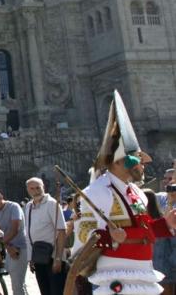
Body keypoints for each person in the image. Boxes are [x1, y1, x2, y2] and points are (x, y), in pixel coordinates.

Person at [71, 91, 176, 293]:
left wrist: (165, 225)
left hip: (144, 272)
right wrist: (108, 237)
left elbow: (144, 230)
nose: (143, 164)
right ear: (119, 161)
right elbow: (83, 233)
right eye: (137, 159)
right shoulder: (97, 192)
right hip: (116, 273)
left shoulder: (137, 191)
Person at [23, 177, 66, 295]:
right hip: (38, 256)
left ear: (43, 187)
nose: (36, 190)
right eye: (32, 188)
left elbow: (61, 231)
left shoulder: (52, 204)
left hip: (53, 256)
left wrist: (58, 258)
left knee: (56, 291)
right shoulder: (28, 206)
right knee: (44, 291)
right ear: (28, 190)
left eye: (38, 187)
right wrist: (30, 257)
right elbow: (28, 233)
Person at [0, 189, 27, 295]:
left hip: (22, 246)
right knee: (17, 282)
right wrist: (7, 246)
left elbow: (15, 230)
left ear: (2, 198)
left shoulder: (14, 207)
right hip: (10, 246)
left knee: (17, 284)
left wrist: (2, 244)